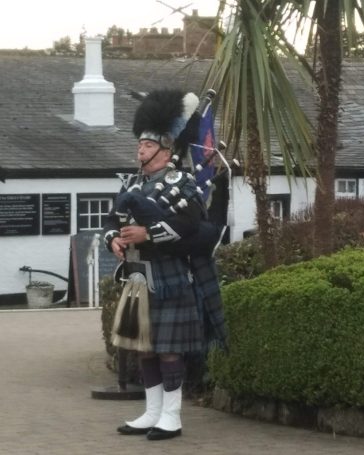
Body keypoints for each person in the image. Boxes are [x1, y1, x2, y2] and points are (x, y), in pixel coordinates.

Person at [103, 89, 226, 441]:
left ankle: (172, 416)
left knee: (170, 350)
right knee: (145, 347)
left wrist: (147, 234)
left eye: (146, 146)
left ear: (166, 149)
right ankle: (152, 412)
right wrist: (113, 238)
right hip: (139, 277)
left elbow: (190, 224)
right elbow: (113, 220)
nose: (139, 151)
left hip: (171, 276)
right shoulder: (135, 183)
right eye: (139, 146)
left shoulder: (182, 182)